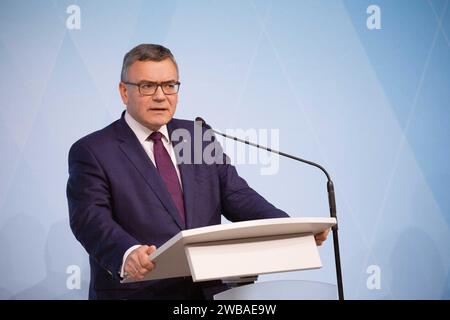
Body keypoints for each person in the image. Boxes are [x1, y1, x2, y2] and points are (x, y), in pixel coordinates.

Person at [66, 44, 329, 300]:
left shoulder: (196, 137)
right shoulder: (94, 150)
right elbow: (89, 218)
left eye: (169, 85)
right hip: (139, 290)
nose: (161, 96)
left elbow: (237, 196)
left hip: (205, 293)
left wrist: (289, 229)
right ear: (124, 92)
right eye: (147, 86)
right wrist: (128, 252)